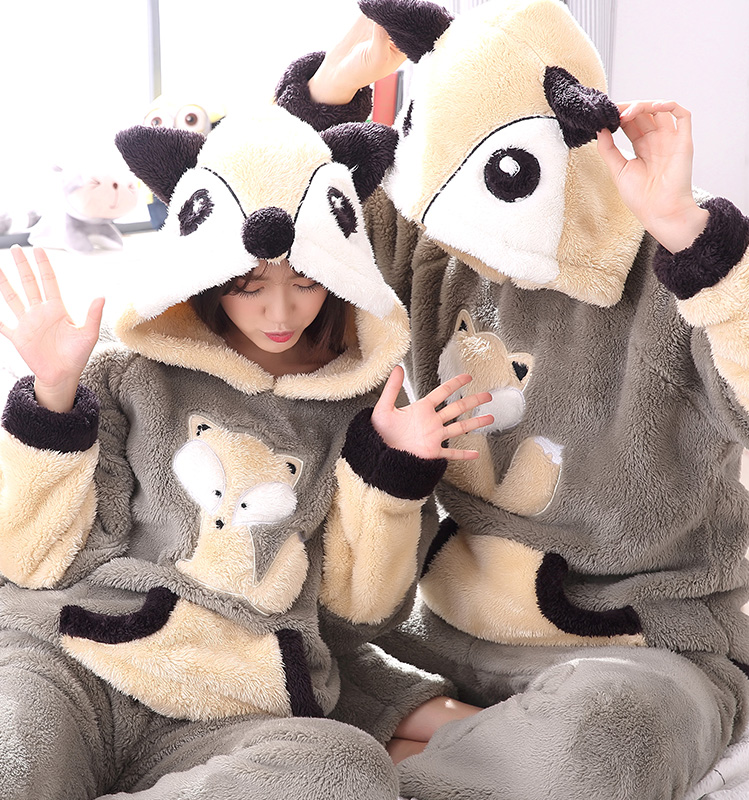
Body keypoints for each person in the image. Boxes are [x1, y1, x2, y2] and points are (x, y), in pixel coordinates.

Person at [273, 0, 749, 798]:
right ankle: (443, 722)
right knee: (263, 640)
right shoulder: (432, 234)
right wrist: (323, 98)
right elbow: (278, 235)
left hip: (636, 651)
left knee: (611, 728)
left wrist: (695, 238)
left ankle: (428, 757)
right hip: (444, 630)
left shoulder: (672, 266)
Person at [0, 106, 493, 799]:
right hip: (77, 661)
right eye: (248, 285)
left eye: (305, 281)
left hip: (231, 707)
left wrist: (391, 475)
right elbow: (36, 559)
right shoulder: (128, 376)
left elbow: (358, 615)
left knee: (344, 768)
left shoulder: (365, 409)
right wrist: (53, 397)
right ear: (210, 271)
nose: (279, 313)